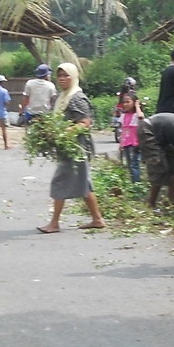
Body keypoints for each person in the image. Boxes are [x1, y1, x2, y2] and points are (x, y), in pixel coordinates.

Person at [37, 63, 106, 234]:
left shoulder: (77, 98)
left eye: (66, 75)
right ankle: (97, 219)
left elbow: (85, 123)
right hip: (67, 147)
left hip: (77, 148)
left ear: (73, 77)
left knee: (59, 181)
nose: (62, 79)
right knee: (85, 185)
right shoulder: (62, 97)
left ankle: (54, 223)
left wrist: (63, 132)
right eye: (59, 75)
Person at [119, 92, 144, 183]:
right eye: (124, 102)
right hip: (126, 143)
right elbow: (123, 130)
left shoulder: (136, 115)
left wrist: (137, 106)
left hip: (135, 144)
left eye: (128, 102)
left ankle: (136, 184)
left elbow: (141, 116)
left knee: (134, 164)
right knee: (129, 165)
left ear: (134, 103)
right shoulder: (123, 116)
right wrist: (121, 144)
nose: (125, 104)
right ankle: (134, 183)